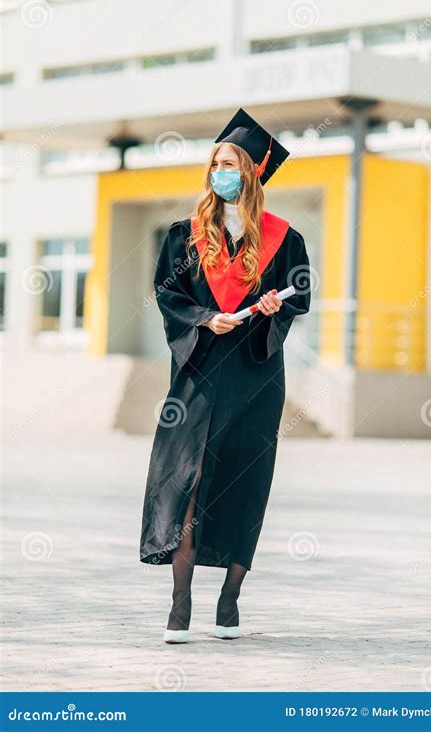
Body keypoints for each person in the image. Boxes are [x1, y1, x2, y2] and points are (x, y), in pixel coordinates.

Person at [140, 107, 312, 643]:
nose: (221, 172)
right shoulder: (185, 235)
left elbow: (300, 293)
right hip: (198, 371)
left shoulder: (284, 239)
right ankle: (180, 603)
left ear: (253, 173)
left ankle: (230, 600)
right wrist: (204, 317)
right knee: (185, 478)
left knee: (245, 480)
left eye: (232, 163)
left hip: (255, 374)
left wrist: (270, 307)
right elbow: (168, 295)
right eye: (216, 163)